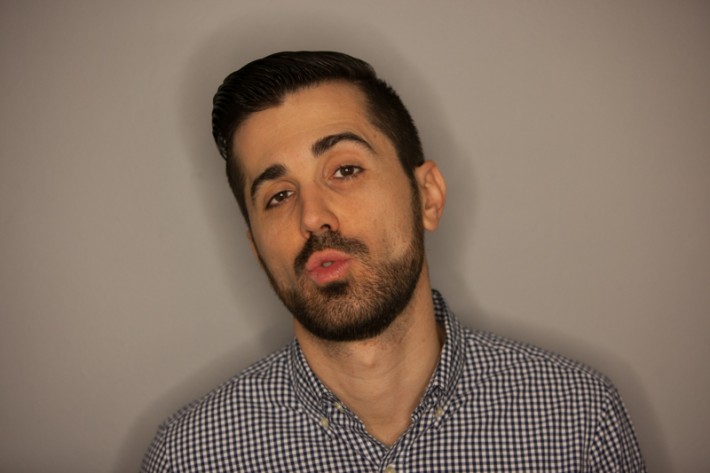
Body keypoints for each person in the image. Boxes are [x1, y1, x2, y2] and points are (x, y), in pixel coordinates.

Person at [142, 51, 645, 472]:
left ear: (427, 196)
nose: (313, 217)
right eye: (278, 195)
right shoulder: (188, 458)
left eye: (345, 170)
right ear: (256, 249)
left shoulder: (578, 420)